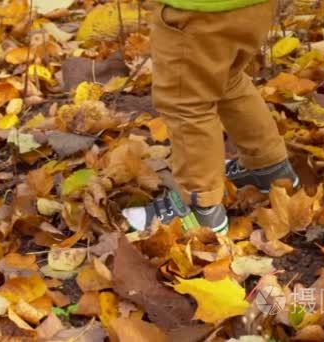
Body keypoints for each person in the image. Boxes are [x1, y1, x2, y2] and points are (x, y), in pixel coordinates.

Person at [122, 0, 300, 233]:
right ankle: (269, 169)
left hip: (198, 11)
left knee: (186, 101)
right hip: (253, 7)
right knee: (229, 80)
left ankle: (199, 207)